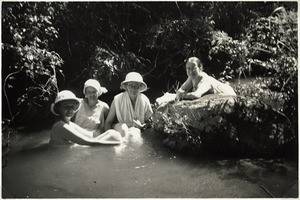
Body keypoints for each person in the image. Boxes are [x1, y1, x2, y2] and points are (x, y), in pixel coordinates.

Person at [50, 90, 122, 145]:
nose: (70, 109)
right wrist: (120, 144)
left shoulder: (69, 124)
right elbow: (88, 142)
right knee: (113, 136)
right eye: (66, 106)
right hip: (64, 157)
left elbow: (90, 135)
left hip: (77, 148)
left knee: (112, 133)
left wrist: (107, 133)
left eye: (72, 106)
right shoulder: (60, 126)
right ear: (58, 108)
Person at [104, 72, 153, 137]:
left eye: (136, 86)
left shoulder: (144, 99)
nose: (134, 88)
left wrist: (142, 126)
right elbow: (108, 121)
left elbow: (150, 123)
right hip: (120, 128)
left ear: (140, 87)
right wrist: (107, 137)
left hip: (137, 129)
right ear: (126, 86)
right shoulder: (117, 99)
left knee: (135, 134)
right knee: (124, 129)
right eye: (131, 85)